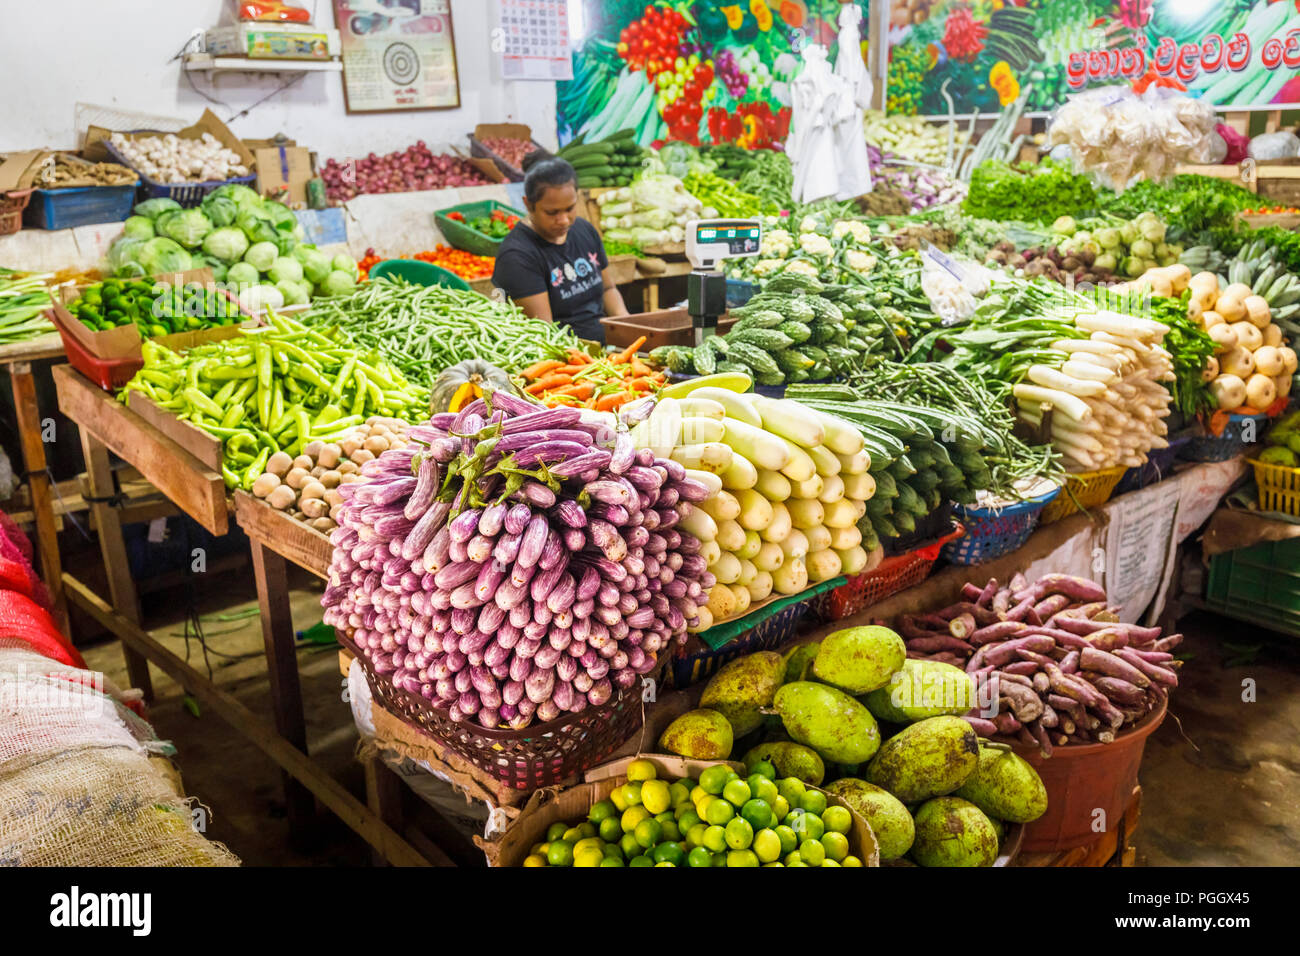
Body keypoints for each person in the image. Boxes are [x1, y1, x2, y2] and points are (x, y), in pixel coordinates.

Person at [492, 156, 628, 343]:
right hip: (567, 357)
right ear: (528, 205)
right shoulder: (517, 256)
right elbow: (544, 334)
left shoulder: (584, 230)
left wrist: (627, 329)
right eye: (552, 212)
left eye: (570, 208)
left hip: (608, 345)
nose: (564, 220)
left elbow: (608, 288)